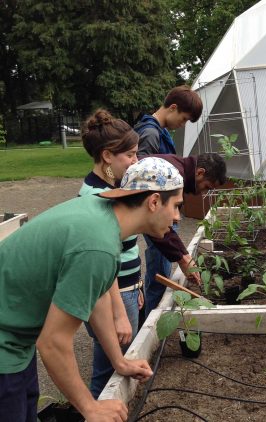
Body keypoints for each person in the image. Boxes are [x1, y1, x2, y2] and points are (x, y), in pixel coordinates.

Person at [0, 156, 185, 421]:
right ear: (154, 202)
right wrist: (90, 407)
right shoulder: (98, 246)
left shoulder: (100, 213)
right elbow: (53, 342)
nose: (178, 217)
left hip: (16, 339)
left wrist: (118, 361)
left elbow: (96, 297)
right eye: (176, 206)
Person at [79, 109, 145, 399]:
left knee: (113, 363)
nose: (136, 161)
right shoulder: (97, 198)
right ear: (107, 156)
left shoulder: (109, 188)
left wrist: (138, 285)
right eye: (130, 155)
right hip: (115, 295)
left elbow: (124, 249)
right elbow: (104, 264)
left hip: (128, 289)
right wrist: (119, 313)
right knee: (108, 371)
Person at [142, 152, 227, 316]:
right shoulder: (174, 176)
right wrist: (183, 258)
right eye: (207, 187)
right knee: (156, 276)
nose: (203, 192)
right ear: (200, 172)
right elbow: (158, 225)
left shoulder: (176, 168)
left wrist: (185, 257)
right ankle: (150, 319)